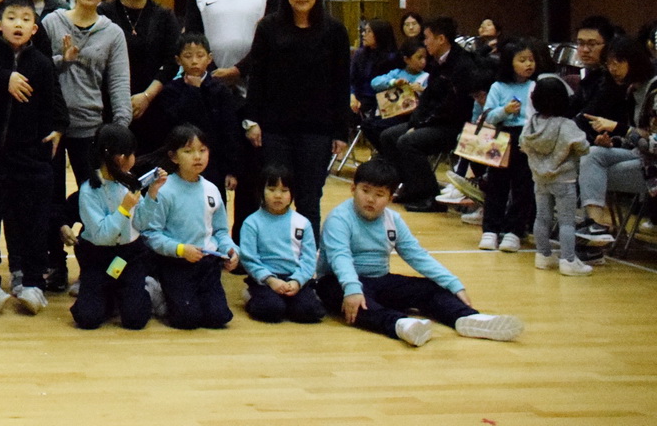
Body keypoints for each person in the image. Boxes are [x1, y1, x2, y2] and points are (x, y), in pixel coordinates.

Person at [315, 158, 524, 346]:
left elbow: (417, 255)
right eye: (365, 191)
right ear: (353, 189)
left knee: (430, 288)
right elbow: (340, 258)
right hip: (339, 281)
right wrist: (352, 289)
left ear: (390, 197)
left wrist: (453, 283)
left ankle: (467, 318)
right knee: (346, 298)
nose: (371, 199)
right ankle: (400, 324)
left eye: (379, 194)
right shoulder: (339, 219)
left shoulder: (393, 220)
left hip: (380, 279)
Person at [236, 0, 350, 232]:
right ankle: (271, 253)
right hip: (274, 130)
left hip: (317, 132)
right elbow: (257, 78)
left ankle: (308, 255)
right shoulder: (268, 28)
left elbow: (341, 83)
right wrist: (251, 120)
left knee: (309, 200)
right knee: (274, 198)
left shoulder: (335, 31)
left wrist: (341, 131)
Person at [0, 0, 63, 315]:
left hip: (30, 157)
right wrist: (4, 78)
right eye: (11, 18)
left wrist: (58, 127)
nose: (18, 24)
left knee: (33, 223)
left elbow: (54, 102)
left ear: (35, 28)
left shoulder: (41, 63)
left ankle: (33, 283)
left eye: (25, 19)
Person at [42, 0, 131, 201]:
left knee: (94, 198)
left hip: (90, 128)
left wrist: (119, 130)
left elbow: (119, 83)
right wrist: (63, 60)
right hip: (51, 126)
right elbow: (38, 71)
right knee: (51, 202)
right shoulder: (51, 22)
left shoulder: (113, 33)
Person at [378, 16, 483, 211]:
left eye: (427, 37)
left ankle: (431, 196)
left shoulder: (462, 65)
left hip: (454, 125)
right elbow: (427, 98)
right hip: (433, 121)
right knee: (388, 136)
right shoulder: (437, 63)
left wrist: (421, 125)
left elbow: (452, 106)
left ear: (441, 39)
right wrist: (415, 122)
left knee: (408, 142)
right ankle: (411, 187)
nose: (424, 42)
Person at [141, 123, 237, 330]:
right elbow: (151, 234)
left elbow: (220, 230)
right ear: (174, 157)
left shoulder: (212, 189)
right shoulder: (164, 190)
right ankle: (158, 290)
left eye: (202, 150)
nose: (197, 157)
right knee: (187, 319)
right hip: (176, 262)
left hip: (207, 264)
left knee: (219, 317)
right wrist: (180, 249)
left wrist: (230, 249)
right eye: (188, 151)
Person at [71, 123, 158, 331]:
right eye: (131, 153)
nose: (134, 158)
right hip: (98, 256)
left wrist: (152, 195)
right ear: (119, 157)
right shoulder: (89, 191)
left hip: (129, 255)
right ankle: (109, 293)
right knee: (87, 318)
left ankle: (143, 288)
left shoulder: (129, 182)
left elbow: (141, 224)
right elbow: (102, 236)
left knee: (135, 319)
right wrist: (123, 209)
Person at [141, 32, 244, 193]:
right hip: (179, 164)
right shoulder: (170, 91)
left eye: (200, 55)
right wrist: (192, 91)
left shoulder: (220, 90)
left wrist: (231, 170)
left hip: (213, 164)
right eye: (188, 56)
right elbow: (172, 124)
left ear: (209, 58)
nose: (194, 61)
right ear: (178, 60)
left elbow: (229, 131)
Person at [575, 37, 656, 243]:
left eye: (617, 62)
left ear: (633, 61)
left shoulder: (655, 90)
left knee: (591, 172)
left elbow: (654, 142)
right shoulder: (632, 90)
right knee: (592, 154)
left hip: (653, 165)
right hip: (640, 155)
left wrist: (618, 128)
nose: (612, 69)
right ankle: (596, 225)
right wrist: (614, 142)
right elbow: (636, 137)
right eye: (608, 63)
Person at [101, 0, 181, 153]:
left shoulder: (164, 16)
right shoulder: (104, 13)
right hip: (110, 104)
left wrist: (146, 96)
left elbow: (172, 62)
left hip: (154, 105)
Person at [477, 38, 548, 251]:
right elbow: (488, 116)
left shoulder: (535, 86)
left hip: (527, 138)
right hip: (502, 137)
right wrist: (505, 111)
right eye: (522, 60)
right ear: (509, 62)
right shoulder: (498, 87)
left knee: (523, 186)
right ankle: (490, 229)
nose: (528, 64)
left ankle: (514, 231)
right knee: (496, 185)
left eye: (531, 60)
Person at [520, 75, 592, 276]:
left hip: (539, 179)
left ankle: (543, 255)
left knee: (542, 218)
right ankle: (568, 260)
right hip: (564, 180)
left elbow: (523, 144)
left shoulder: (531, 124)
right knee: (566, 221)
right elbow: (583, 147)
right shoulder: (566, 125)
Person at [237, 164, 325, 323]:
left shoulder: (302, 223)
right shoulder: (252, 223)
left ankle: (290, 301)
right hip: (265, 279)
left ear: (292, 193)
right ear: (261, 191)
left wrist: (297, 281)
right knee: (272, 310)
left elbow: (309, 258)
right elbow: (249, 259)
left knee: (310, 311)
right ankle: (251, 295)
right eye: (271, 189)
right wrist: (270, 280)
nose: (278, 195)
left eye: (284, 191)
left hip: (293, 277)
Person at [359, 40, 429, 151]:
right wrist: (393, 82)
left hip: (409, 116)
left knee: (383, 128)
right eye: (419, 58)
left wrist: (422, 90)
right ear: (406, 59)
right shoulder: (397, 73)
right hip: (393, 111)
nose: (423, 61)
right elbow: (375, 83)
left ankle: (390, 154)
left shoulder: (426, 77)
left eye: (425, 58)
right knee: (367, 124)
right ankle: (385, 153)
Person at [349, 18, 399, 120]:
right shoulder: (360, 54)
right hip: (359, 96)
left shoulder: (392, 57)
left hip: (382, 100)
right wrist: (352, 96)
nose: (363, 34)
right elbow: (351, 79)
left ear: (379, 34)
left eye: (368, 31)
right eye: (364, 31)